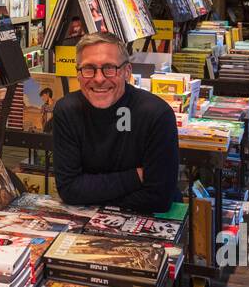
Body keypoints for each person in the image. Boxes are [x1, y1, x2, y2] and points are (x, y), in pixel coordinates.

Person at [52, 33, 179, 211]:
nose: (99, 79)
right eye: (88, 69)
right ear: (78, 74)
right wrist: (135, 176)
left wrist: (89, 193)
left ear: (127, 72)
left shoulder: (157, 114)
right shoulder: (66, 111)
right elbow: (69, 190)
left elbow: (159, 198)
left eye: (109, 68)